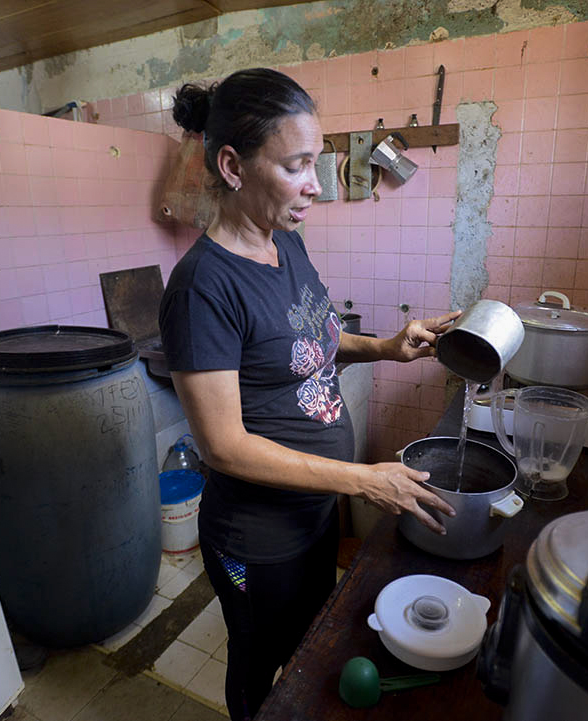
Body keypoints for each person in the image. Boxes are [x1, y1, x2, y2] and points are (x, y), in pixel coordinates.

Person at [159, 67, 460, 721]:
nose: (315, 187)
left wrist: (383, 346)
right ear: (234, 165)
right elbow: (224, 445)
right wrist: (360, 479)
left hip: (313, 518)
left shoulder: (284, 243)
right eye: (298, 167)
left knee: (306, 647)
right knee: (256, 660)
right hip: (254, 542)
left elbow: (312, 338)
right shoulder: (201, 288)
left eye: (314, 163)